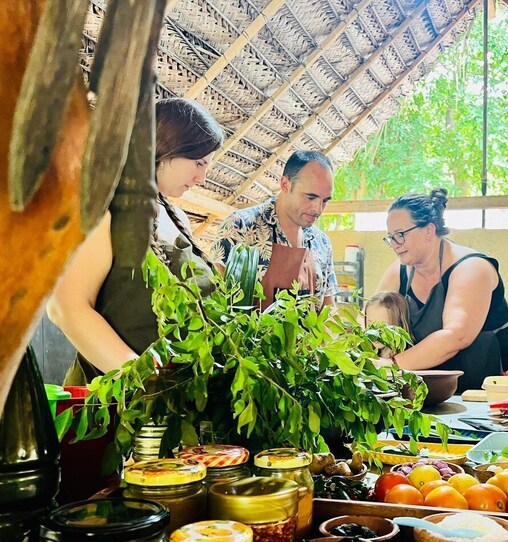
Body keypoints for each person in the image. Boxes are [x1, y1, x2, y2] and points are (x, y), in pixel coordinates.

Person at [48, 98, 224, 385]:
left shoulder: (176, 216)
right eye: (199, 162)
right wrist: (142, 376)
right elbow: (66, 307)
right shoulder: (107, 208)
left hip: (177, 404)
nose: (203, 178)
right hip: (117, 406)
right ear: (164, 148)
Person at [376, 188, 508, 392]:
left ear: (428, 230)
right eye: (390, 237)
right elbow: (372, 324)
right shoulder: (400, 270)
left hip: (499, 384)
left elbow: (456, 336)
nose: (394, 245)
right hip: (441, 388)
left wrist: (391, 366)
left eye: (400, 235)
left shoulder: (471, 268)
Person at [212, 150, 337, 310]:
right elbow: (215, 301)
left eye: (325, 200)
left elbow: (329, 310)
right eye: (311, 197)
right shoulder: (241, 226)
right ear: (285, 184)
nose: (318, 209)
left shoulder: (323, 243)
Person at [364, 292, 414, 359]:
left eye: (383, 326)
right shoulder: (367, 351)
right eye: (370, 324)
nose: (374, 332)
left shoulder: (407, 356)